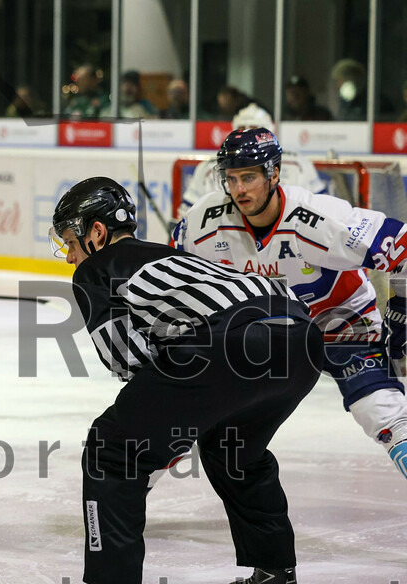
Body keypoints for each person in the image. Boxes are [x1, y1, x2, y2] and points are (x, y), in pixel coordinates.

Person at [53, 176, 324, 584]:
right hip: (300, 335)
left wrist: (161, 435)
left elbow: (127, 362)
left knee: (112, 448)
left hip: (229, 341)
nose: (71, 256)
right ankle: (276, 583)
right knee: (236, 449)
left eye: (71, 243)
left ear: (95, 233)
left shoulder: (98, 269)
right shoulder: (177, 256)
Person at [174, 128, 407, 481]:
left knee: (382, 413)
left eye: (249, 177)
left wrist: (402, 307)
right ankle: (127, 490)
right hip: (261, 335)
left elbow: (403, 247)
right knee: (180, 406)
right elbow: (176, 275)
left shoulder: (321, 218)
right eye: (231, 178)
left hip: (339, 324)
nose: (239, 190)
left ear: (274, 173)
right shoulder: (202, 223)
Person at [173, 105, 325, 224]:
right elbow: (185, 219)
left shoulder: (299, 164)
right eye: (241, 130)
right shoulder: (206, 169)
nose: (247, 136)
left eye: (254, 129)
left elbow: (320, 214)